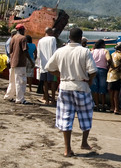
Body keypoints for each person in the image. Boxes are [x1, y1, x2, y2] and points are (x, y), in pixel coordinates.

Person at [45, 27, 97, 157]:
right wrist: (89, 81)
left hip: (65, 86)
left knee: (66, 117)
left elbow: (49, 68)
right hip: (81, 86)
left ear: (69, 37)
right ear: (81, 38)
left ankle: (67, 149)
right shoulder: (85, 51)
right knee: (85, 116)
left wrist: (60, 75)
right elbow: (93, 71)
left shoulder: (60, 51)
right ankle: (84, 142)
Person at [4, 24, 35, 104]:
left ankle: (8, 96)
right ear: (21, 30)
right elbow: (25, 51)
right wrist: (31, 61)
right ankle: (20, 99)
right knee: (21, 81)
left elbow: (10, 51)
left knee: (12, 81)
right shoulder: (23, 38)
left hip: (13, 62)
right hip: (20, 63)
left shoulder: (13, 38)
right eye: (24, 30)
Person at [37, 27, 58, 105]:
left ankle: (46, 100)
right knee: (53, 82)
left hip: (43, 64)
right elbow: (54, 51)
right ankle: (52, 100)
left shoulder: (40, 40)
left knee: (45, 83)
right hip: (51, 64)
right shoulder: (53, 39)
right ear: (50, 32)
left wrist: (39, 65)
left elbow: (39, 54)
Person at [90, 39, 112, 112]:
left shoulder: (92, 51)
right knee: (102, 89)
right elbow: (108, 59)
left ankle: (96, 105)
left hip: (94, 70)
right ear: (102, 45)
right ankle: (102, 105)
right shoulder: (105, 51)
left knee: (95, 89)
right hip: (103, 70)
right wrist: (109, 65)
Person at [107, 42, 121, 114]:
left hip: (110, 75)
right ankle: (117, 109)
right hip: (117, 76)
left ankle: (112, 107)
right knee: (116, 94)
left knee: (111, 93)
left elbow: (109, 64)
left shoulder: (112, 54)